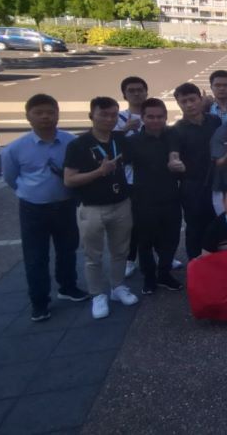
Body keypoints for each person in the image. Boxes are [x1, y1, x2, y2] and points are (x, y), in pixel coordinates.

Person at [2, 94, 88, 322]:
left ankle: (68, 287)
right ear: (28, 116)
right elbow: (11, 178)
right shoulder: (15, 148)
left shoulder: (71, 142)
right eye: (39, 113)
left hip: (65, 205)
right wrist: (31, 192)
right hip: (33, 209)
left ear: (58, 114)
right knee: (35, 256)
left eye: (50, 112)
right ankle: (39, 302)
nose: (45, 117)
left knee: (67, 250)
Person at [63, 97, 138, 320]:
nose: (109, 119)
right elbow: (69, 179)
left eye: (113, 115)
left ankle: (118, 287)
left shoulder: (120, 139)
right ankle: (97, 294)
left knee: (120, 250)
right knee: (92, 255)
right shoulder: (78, 144)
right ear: (91, 115)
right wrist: (99, 172)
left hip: (121, 203)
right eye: (103, 114)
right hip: (92, 207)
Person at [127, 98, 184, 294]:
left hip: (170, 196)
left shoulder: (173, 135)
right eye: (150, 117)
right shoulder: (132, 141)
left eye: (160, 117)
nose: (155, 120)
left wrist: (176, 163)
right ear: (142, 118)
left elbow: (176, 153)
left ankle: (164, 273)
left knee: (171, 239)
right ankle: (149, 278)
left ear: (166, 117)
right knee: (145, 242)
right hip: (143, 199)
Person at [172, 83, 222, 260]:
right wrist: (176, 163)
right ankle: (195, 264)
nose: (189, 105)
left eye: (192, 100)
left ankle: (217, 263)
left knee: (217, 224)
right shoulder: (176, 130)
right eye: (183, 101)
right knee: (195, 228)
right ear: (178, 104)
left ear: (200, 99)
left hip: (216, 183)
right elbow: (173, 155)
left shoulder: (214, 121)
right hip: (192, 186)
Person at [116, 76, 147, 280]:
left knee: (155, 219)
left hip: (153, 177)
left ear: (146, 92)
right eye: (131, 90)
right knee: (132, 223)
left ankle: (164, 255)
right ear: (124, 94)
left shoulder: (153, 114)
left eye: (140, 89)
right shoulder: (118, 118)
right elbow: (109, 146)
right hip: (129, 179)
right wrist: (124, 130)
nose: (136, 93)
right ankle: (130, 258)